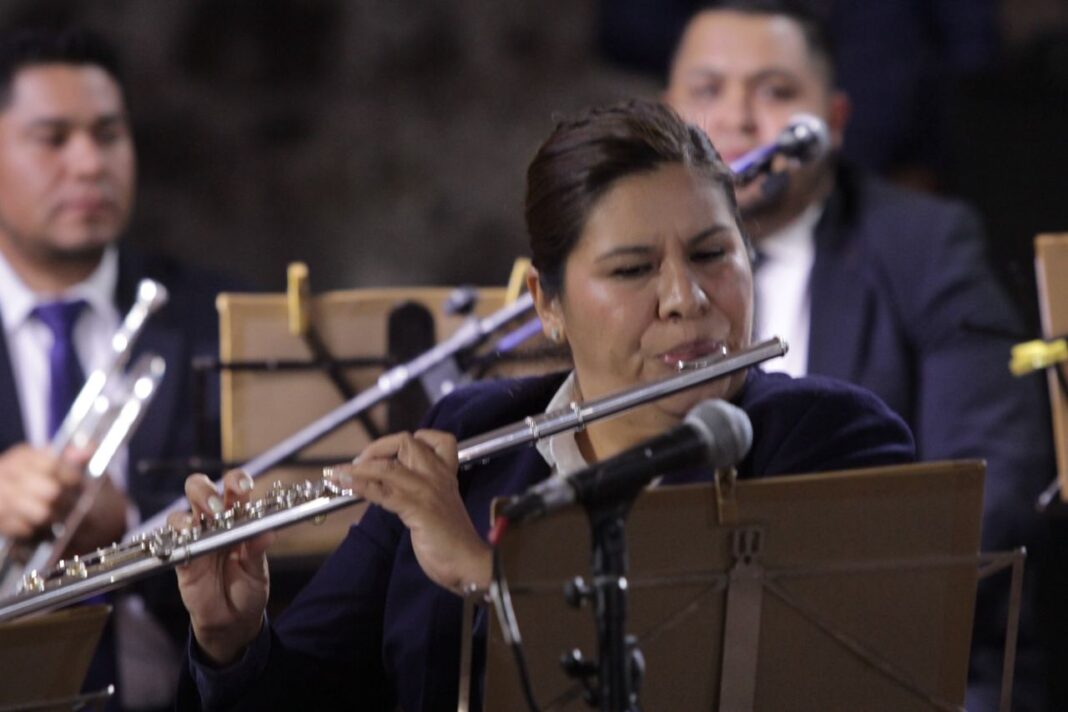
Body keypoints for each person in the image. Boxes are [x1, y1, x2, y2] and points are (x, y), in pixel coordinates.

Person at [172, 99, 915, 711]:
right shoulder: (466, 438)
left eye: (712, 254)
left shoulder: (828, 441)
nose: (686, 299)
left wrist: (489, 575)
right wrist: (233, 643)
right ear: (547, 304)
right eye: (633, 269)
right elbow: (311, 691)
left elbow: (767, 682)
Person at [661, 2, 1056, 709]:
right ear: (665, 117)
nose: (739, 119)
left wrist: (808, 613)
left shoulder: (926, 245)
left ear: (835, 120)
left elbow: (991, 480)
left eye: (776, 91)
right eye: (708, 90)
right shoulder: (626, 271)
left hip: (903, 652)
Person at [0, 28, 234, 710]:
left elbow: (291, 560)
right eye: (53, 138)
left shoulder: (219, 318)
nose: (89, 164)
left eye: (108, 134)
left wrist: (130, 527)